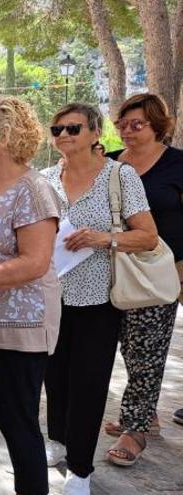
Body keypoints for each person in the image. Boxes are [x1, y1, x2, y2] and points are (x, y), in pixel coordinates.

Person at [42, 103, 158, 495]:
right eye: (56, 129)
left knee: (88, 384)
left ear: (95, 133)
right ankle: (56, 441)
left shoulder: (119, 176)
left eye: (72, 128)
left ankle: (80, 468)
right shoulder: (45, 179)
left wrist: (101, 238)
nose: (62, 136)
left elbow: (147, 236)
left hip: (99, 301)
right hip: (51, 298)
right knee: (53, 378)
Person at [0, 96, 61, 495]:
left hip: (22, 325)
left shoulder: (34, 190)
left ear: (7, 134)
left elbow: (34, 263)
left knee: (16, 420)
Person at [102, 93, 183, 466]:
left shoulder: (177, 164)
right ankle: (145, 411)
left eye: (137, 125)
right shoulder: (109, 163)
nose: (128, 131)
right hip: (114, 267)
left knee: (148, 351)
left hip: (162, 270)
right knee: (129, 348)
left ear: (157, 126)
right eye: (122, 125)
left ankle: (135, 430)